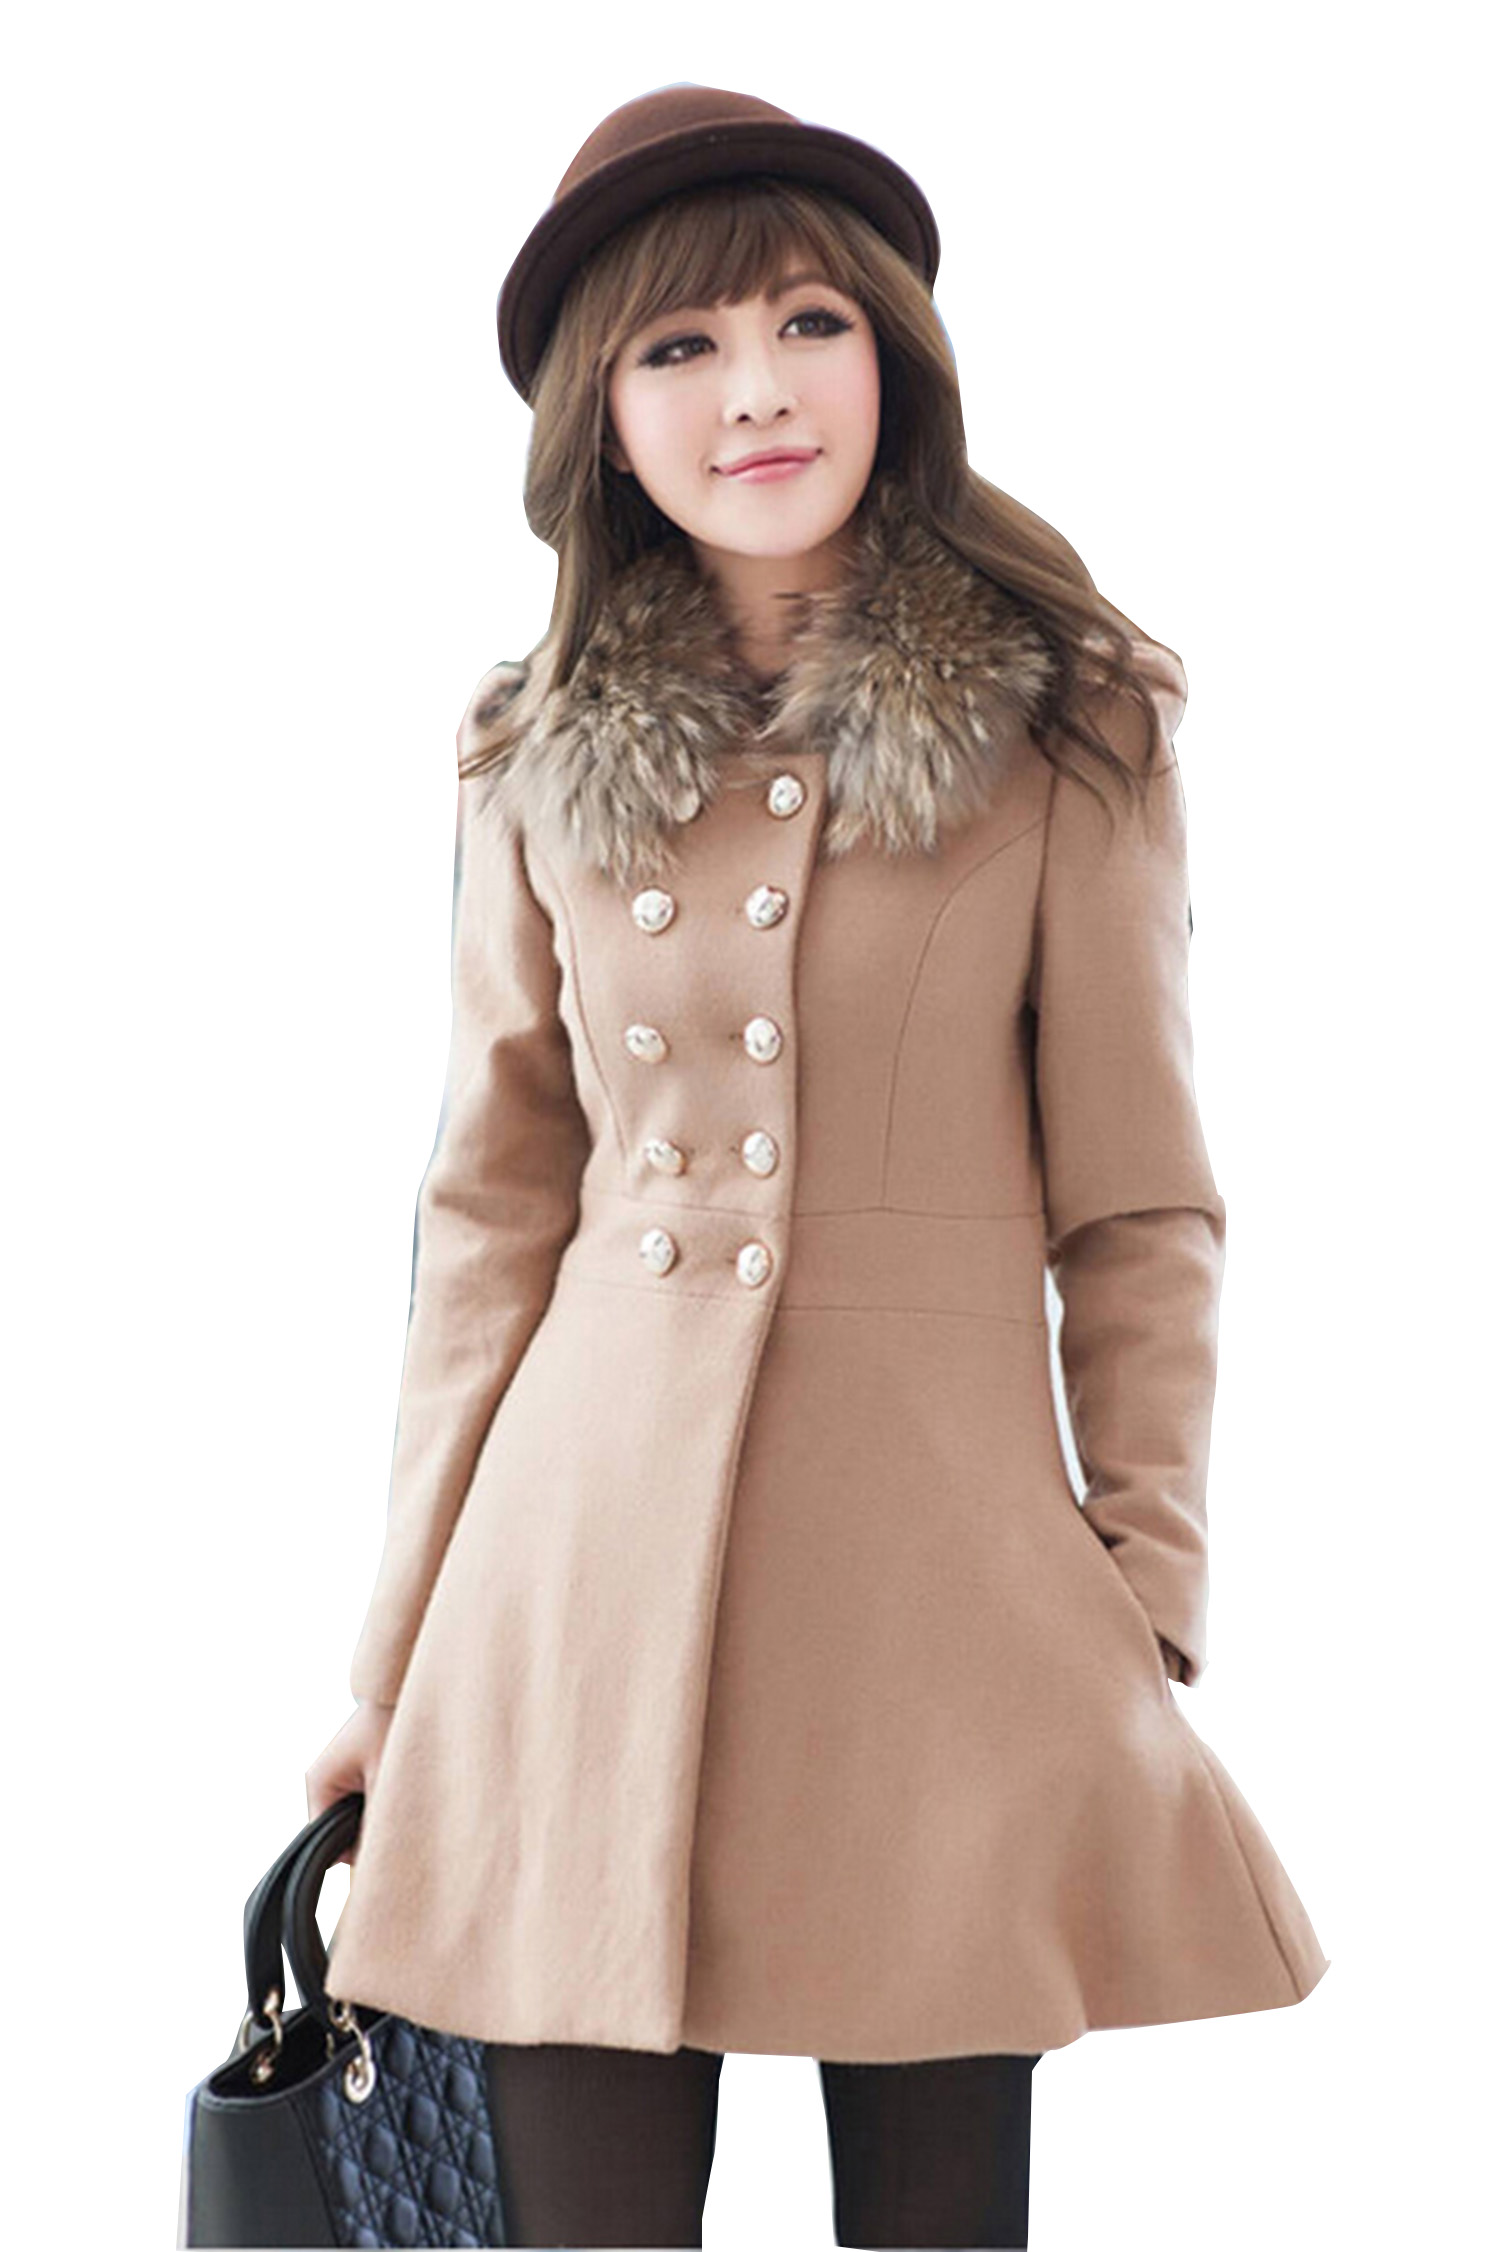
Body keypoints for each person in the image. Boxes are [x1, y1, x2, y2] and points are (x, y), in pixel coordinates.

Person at [304, 83, 1329, 2249]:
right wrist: (393, 1677)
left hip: (945, 1614)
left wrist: (1144, 1578)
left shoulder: (1075, 727)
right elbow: (486, 1223)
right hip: (571, 1607)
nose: (755, 390)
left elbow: (1139, 1205)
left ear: (891, 356)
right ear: (602, 425)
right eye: (678, 348)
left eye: (806, 324)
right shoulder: (523, 752)